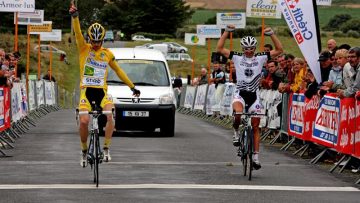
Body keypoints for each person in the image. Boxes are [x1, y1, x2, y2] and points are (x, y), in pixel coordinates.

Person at [69, 1, 140, 167]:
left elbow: (120, 71)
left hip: (102, 92)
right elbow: (78, 32)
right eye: (93, 41)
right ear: (89, 39)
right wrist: (75, 16)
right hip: (86, 92)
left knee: (110, 116)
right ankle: (84, 151)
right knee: (85, 121)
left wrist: (132, 87)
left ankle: (106, 148)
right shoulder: (83, 49)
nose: (95, 44)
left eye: (98, 41)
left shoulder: (107, 54)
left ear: (102, 40)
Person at [217, 24, 283, 170]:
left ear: (255, 48)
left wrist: (272, 34)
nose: (249, 51)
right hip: (240, 93)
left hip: (254, 95)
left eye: (251, 48)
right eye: (246, 48)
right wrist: (227, 32)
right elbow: (220, 49)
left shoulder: (261, 57)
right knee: (238, 115)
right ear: (242, 48)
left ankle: (256, 157)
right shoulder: (236, 57)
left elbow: (279, 50)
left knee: (255, 126)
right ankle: (235, 132)